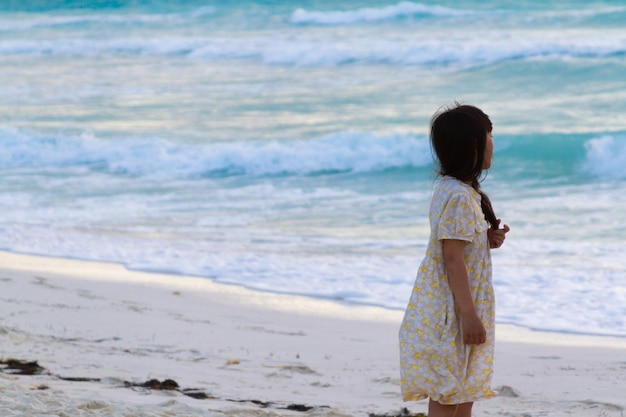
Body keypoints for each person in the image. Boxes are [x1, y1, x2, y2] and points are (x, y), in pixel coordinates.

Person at [399, 104, 510, 417]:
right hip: (456, 311)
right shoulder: (460, 196)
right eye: (489, 136)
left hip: (454, 306)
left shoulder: (455, 190)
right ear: (474, 146)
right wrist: (470, 315)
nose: (493, 143)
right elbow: (451, 257)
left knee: (462, 391)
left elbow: (457, 244)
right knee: (450, 395)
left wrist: (486, 239)